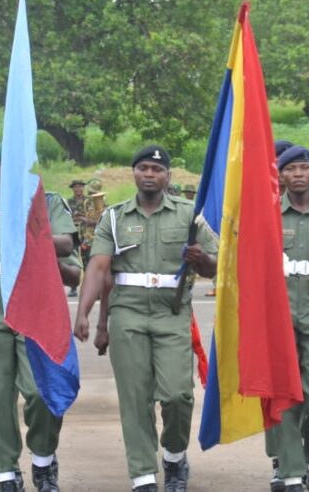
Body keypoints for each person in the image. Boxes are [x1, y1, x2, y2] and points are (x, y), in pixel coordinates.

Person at [72, 145, 217, 492]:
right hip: (129, 314)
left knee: (177, 395)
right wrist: (85, 311)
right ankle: (143, 475)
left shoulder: (190, 215)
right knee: (135, 398)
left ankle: (174, 455)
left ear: (167, 176)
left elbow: (215, 266)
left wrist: (200, 259)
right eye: (143, 168)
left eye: (156, 169)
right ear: (133, 173)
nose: (149, 174)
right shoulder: (114, 217)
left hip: (171, 313)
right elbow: (99, 267)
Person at [0, 144, 81, 492]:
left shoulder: (49, 203)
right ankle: (6, 473)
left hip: (37, 306)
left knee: (41, 391)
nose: (7, 172)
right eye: (1, 167)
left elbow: (67, 244)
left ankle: (42, 460)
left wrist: (28, 232)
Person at [264, 146, 309, 492]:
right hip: (278, 311)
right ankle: (291, 473)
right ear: (280, 175)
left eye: (304, 168)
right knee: (284, 394)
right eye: (290, 169)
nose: (297, 174)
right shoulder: (268, 213)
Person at [67, 179, 89, 298]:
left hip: (86, 234)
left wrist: (84, 218)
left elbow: (94, 217)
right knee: (73, 261)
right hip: (73, 233)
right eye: (75, 187)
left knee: (87, 262)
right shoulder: (68, 202)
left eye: (80, 187)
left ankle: (87, 288)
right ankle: (73, 287)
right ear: (72, 189)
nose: (78, 189)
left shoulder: (89, 202)